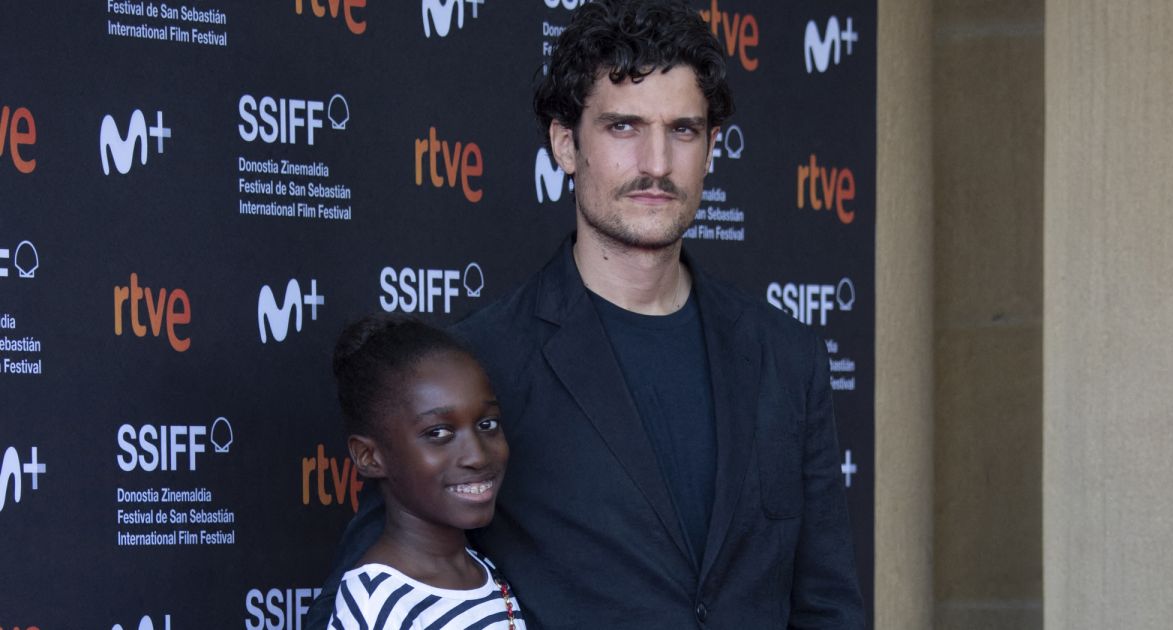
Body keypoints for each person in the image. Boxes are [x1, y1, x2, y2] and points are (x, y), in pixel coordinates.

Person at [308, 0, 864, 627]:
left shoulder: (785, 356)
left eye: (683, 129)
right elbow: (367, 589)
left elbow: (827, 605)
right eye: (624, 127)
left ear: (710, 149)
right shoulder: (481, 366)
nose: (656, 163)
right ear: (565, 144)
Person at [325, 315, 525, 629]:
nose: (477, 455)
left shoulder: (486, 572)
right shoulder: (379, 603)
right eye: (438, 433)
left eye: (488, 425)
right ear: (369, 456)